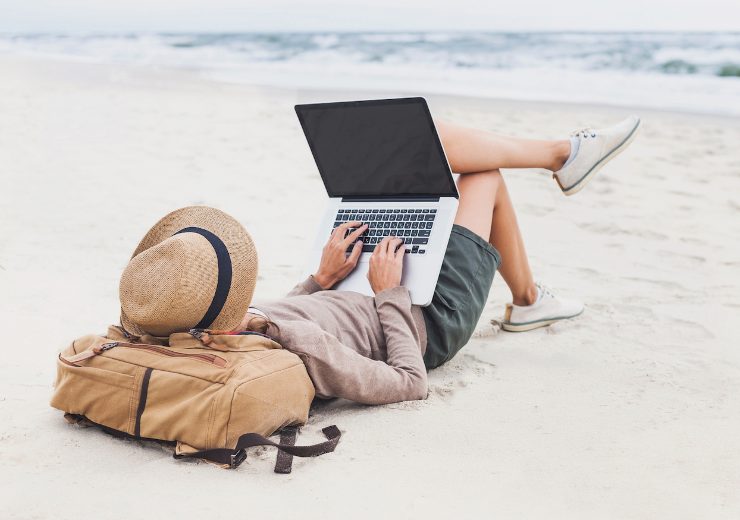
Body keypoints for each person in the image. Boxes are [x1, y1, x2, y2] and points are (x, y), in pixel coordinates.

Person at [234, 115, 641, 405]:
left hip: (354, 289)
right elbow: (409, 382)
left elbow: (287, 312)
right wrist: (389, 292)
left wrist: (320, 279)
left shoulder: (215, 326)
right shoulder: (300, 346)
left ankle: (531, 295)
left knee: (415, 142)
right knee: (482, 176)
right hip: (427, 319)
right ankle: (561, 159)